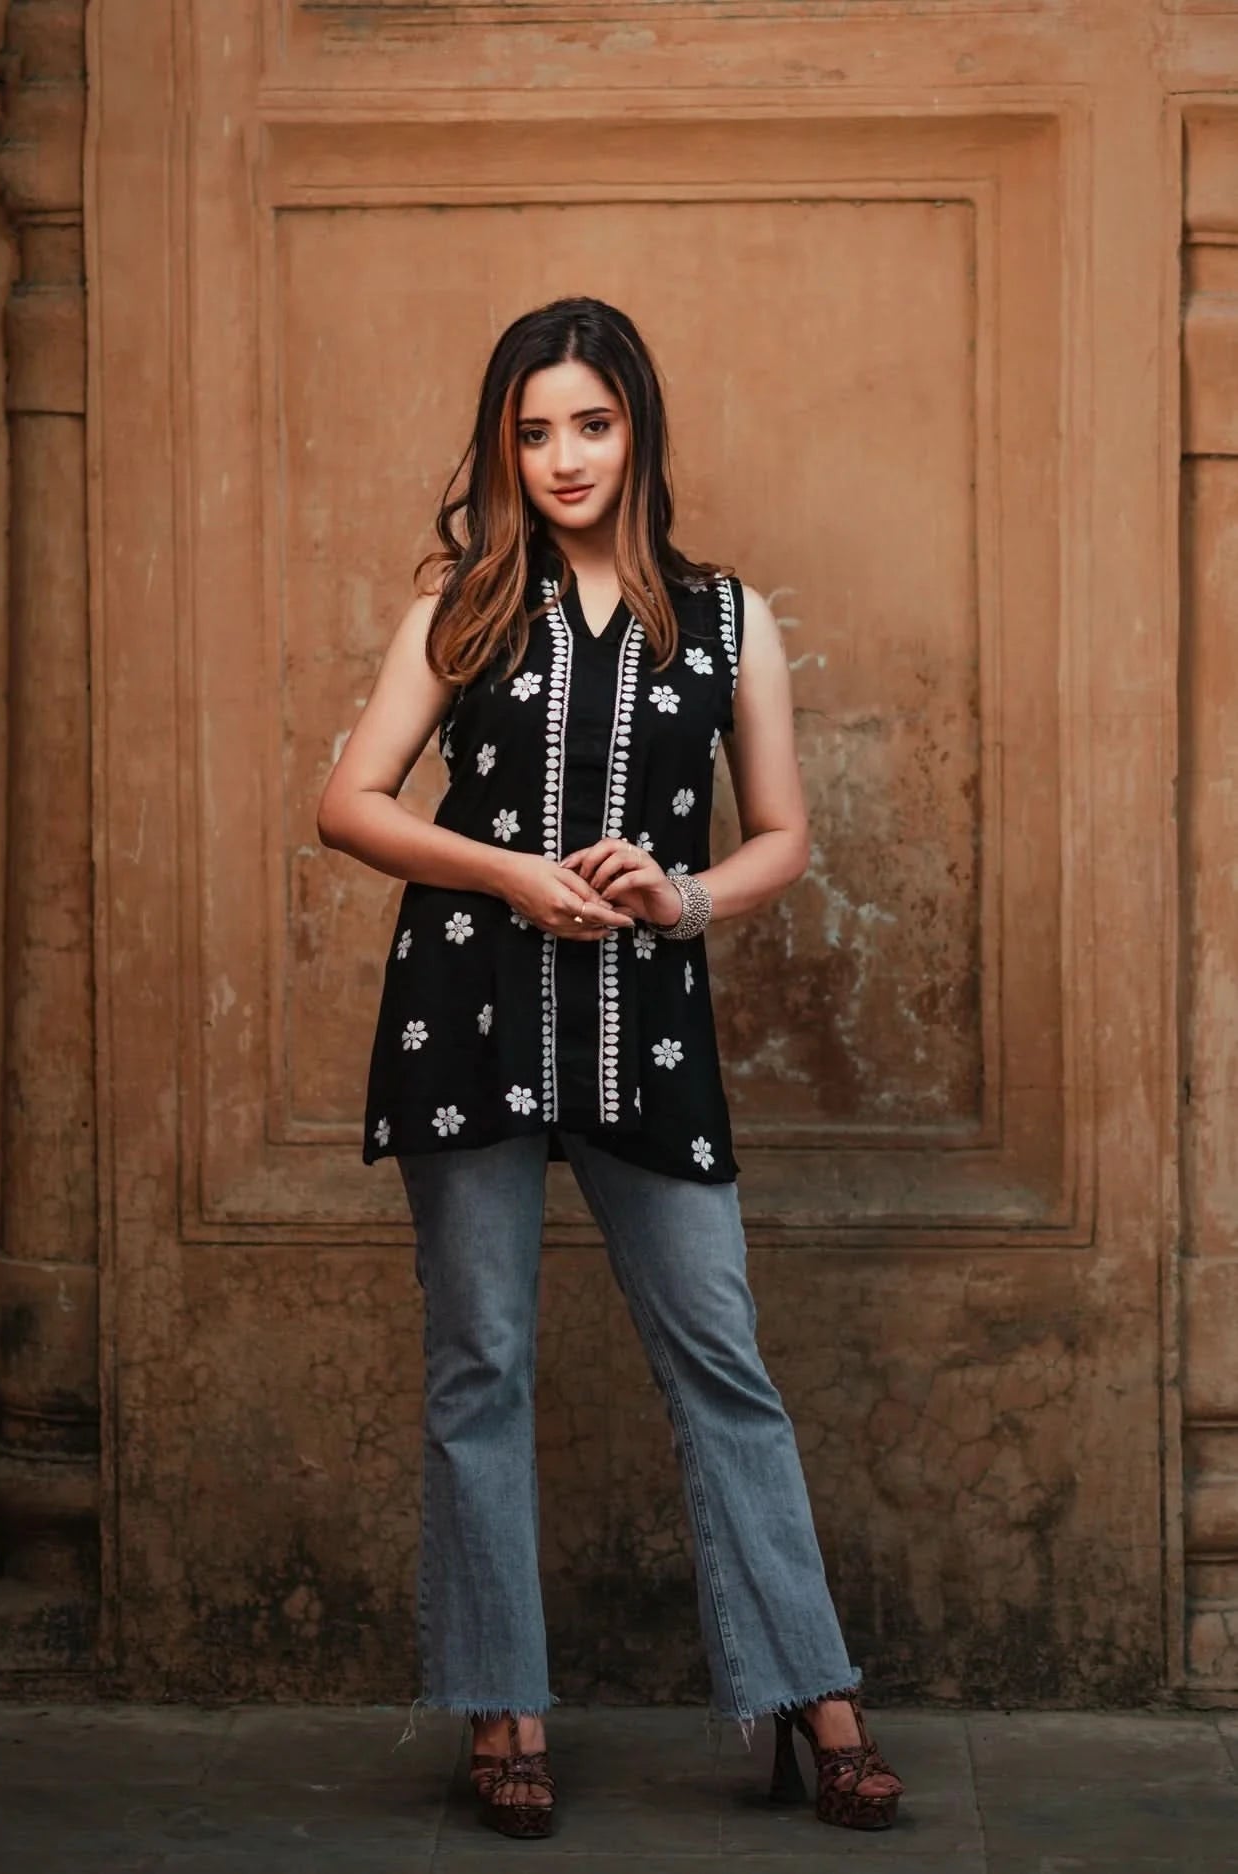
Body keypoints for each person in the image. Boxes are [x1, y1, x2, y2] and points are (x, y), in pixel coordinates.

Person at [316, 296, 904, 1840]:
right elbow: (351, 799)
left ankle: (812, 1698)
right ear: (505, 445)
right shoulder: (465, 600)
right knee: (482, 1362)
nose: (563, 456)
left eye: (591, 421)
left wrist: (687, 893)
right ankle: (502, 1707)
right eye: (532, 428)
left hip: (646, 1019)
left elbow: (780, 834)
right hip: (469, 1012)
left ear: (637, 429)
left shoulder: (725, 617)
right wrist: (505, 874)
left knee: (721, 1356)